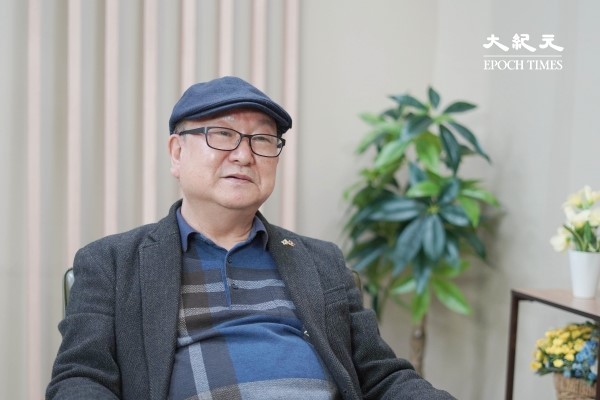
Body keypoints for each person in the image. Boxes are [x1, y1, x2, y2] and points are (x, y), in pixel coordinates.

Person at [46, 76, 455, 400]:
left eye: (262, 140)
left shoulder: (321, 261)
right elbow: (81, 378)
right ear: (177, 153)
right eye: (222, 135)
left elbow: (382, 376)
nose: (244, 155)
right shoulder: (112, 262)